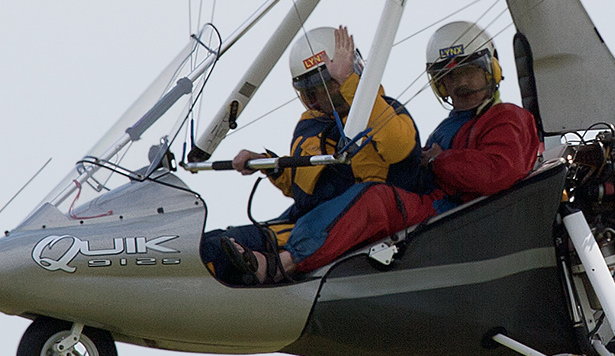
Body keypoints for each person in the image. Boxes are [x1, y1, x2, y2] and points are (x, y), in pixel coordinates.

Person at [228, 20, 542, 282]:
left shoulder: (507, 117)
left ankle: (281, 265)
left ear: (492, 70)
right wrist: (273, 166)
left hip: (462, 217)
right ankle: (230, 256)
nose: (459, 86)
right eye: (448, 79)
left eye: (469, 75)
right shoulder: (446, 128)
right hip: (426, 210)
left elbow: (499, 172)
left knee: (374, 198)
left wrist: (437, 161)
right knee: (263, 228)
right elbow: (317, 185)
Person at [201, 25, 419, 286]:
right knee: (216, 246)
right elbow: (305, 188)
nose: (326, 98)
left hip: (369, 220)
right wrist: (269, 164)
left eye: (332, 85)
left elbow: (397, 147)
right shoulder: (309, 126)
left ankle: (277, 265)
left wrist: (351, 86)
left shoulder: (386, 111)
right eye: (314, 92)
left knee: (365, 198)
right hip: (311, 222)